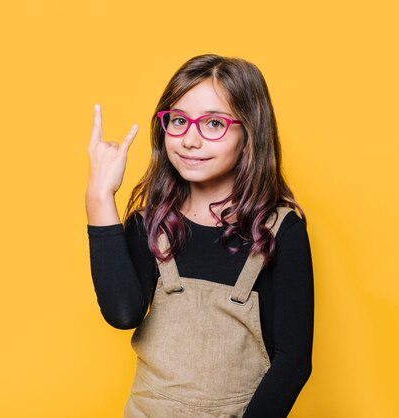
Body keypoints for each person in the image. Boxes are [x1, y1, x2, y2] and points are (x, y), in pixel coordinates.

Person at [86, 54, 314, 417]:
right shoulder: (150, 224)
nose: (190, 140)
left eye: (213, 124)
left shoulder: (280, 231)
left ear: (249, 133)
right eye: (178, 121)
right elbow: (123, 313)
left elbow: (293, 362)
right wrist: (99, 197)